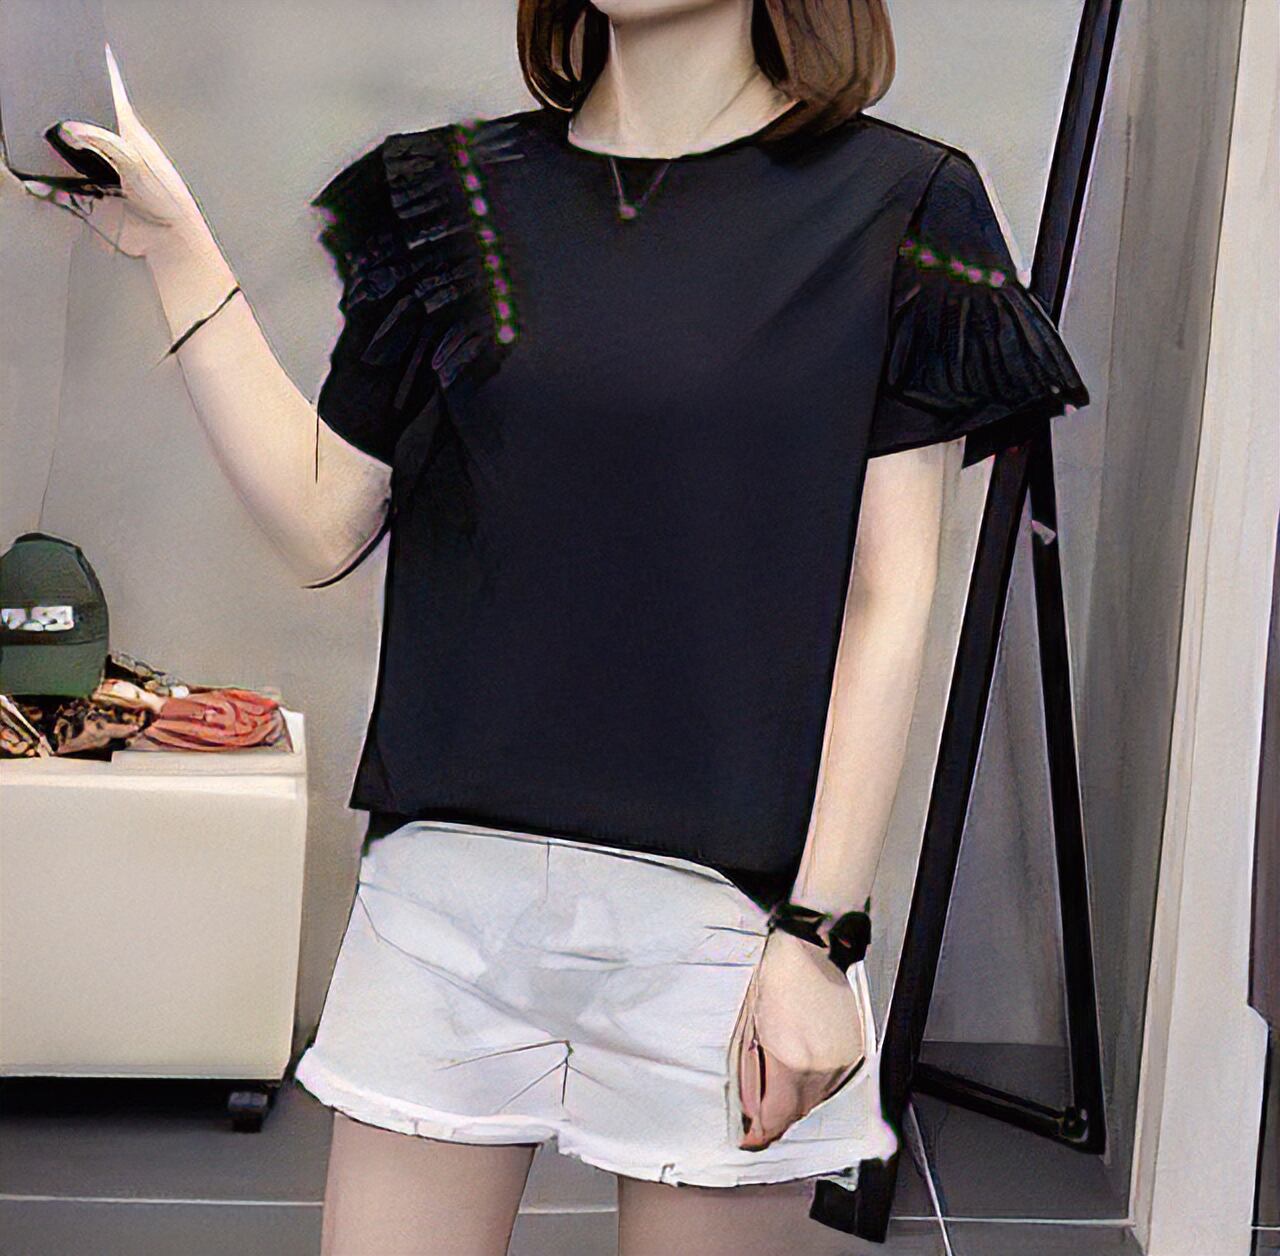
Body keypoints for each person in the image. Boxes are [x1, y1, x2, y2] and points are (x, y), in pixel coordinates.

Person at [6, 2, 1088, 1252]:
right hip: (445, 906)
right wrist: (174, 248)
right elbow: (320, 522)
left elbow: (888, 600)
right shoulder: (451, 195)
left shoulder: (895, 205)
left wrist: (818, 932)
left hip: (721, 927)